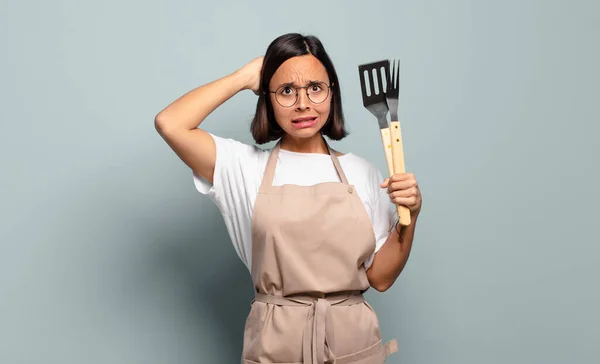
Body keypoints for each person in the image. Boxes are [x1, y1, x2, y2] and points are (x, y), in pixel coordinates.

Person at [154, 33, 422, 363]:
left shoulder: (362, 172)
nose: (303, 103)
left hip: (353, 343)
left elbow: (380, 278)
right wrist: (242, 77)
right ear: (267, 99)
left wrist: (409, 220)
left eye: (315, 88)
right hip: (276, 342)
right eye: (286, 91)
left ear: (331, 92)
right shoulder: (243, 168)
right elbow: (170, 123)